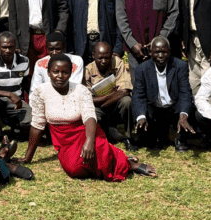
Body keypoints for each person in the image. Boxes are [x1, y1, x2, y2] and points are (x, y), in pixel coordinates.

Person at [24, 53, 155, 180]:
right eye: (55, 72)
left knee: (97, 152)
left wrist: (89, 142)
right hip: (63, 140)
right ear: (48, 73)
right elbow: (37, 124)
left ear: (71, 73)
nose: (60, 76)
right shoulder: (41, 92)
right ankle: (116, 155)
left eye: (65, 72)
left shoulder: (81, 90)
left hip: (85, 132)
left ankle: (128, 164)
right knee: (74, 169)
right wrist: (27, 158)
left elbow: (89, 116)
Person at [132, 37, 196, 152]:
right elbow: (138, 96)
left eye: (164, 52)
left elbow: (185, 92)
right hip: (154, 108)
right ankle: (154, 137)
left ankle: (181, 139)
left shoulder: (180, 66)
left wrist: (183, 115)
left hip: (173, 108)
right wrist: (141, 117)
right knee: (142, 110)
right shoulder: (141, 69)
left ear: (169, 52)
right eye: (157, 52)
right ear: (150, 52)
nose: (161, 55)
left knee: (187, 106)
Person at [83, 42, 132, 147]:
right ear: (93, 56)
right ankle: (101, 136)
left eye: (107, 57)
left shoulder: (118, 63)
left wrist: (103, 102)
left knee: (127, 101)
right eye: (100, 58)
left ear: (111, 55)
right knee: (91, 112)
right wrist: (110, 95)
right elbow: (87, 100)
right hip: (99, 108)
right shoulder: (88, 70)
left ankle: (128, 137)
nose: (104, 61)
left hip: (113, 104)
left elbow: (124, 91)